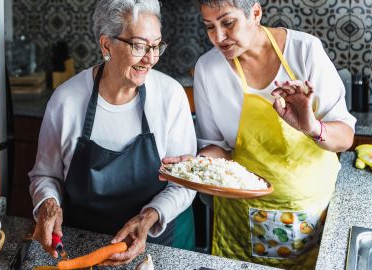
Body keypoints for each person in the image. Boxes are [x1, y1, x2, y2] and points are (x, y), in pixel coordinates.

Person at [28, 0, 197, 266]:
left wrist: (151, 215)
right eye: (139, 46)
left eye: (156, 46)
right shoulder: (66, 100)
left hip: (157, 244)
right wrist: (48, 203)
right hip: (83, 246)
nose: (150, 58)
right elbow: (45, 175)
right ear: (107, 45)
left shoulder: (171, 96)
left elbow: (184, 182)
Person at [191, 0, 356, 269]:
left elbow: (346, 136)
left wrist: (312, 127)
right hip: (240, 218)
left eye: (228, 23)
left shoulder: (305, 51)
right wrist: (194, 165)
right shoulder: (208, 69)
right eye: (209, 27)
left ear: (255, 13)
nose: (218, 37)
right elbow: (216, 148)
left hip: (309, 213)